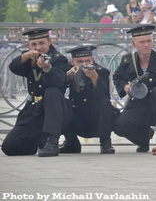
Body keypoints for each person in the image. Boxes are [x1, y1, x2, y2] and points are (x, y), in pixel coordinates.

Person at [113, 25, 156, 152]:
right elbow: (117, 77)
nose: (146, 45)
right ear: (133, 44)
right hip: (140, 104)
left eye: (149, 41)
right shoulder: (128, 61)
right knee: (119, 125)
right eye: (142, 42)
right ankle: (143, 138)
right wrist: (125, 86)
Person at [2, 28, 70, 157]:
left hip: (55, 109)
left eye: (42, 43)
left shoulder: (58, 59)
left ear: (49, 42)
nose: (38, 47)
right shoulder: (29, 58)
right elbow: (14, 68)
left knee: (52, 91)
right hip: (34, 109)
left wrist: (46, 68)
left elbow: (58, 81)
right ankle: (39, 141)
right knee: (9, 147)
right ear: (29, 45)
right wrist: (24, 57)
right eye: (34, 44)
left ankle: (52, 143)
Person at [59, 46, 119, 154]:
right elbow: (57, 91)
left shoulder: (102, 72)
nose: (84, 64)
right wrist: (67, 77)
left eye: (88, 61)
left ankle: (105, 142)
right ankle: (71, 142)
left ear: (93, 61)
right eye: (80, 62)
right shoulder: (67, 71)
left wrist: (94, 78)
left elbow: (104, 95)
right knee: (61, 103)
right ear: (72, 62)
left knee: (105, 104)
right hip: (77, 116)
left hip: (97, 117)